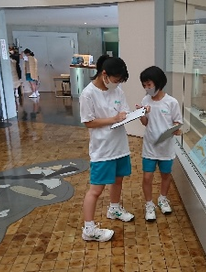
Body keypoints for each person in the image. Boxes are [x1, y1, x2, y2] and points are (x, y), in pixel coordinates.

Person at [79, 55, 134, 242]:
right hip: (102, 149)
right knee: (95, 190)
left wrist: (137, 113)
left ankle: (114, 208)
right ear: (104, 74)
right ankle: (89, 229)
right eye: (116, 79)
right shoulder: (88, 94)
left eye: (119, 81)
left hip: (120, 145)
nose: (117, 84)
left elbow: (123, 113)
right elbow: (88, 122)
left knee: (118, 181)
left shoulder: (117, 89)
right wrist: (113, 119)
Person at [138, 66, 182, 222]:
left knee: (165, 175)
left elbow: (177, 122)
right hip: (150, 147)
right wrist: (141, 114)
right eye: (144, 85)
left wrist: (176, 130)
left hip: (166, 147)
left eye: (149, 84)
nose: (147, 88)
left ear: (158, 82)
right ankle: (149, 204)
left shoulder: (171, 102)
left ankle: (163, 199)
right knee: (147, 177)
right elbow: (145, 123)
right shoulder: (145, 100)